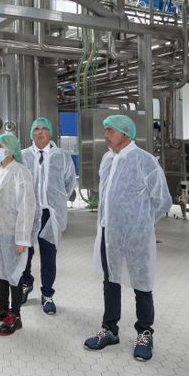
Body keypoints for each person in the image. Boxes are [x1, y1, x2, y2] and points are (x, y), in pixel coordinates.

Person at [83, 115, 171, 361]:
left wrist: (140, 224)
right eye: (105, 129)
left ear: (126, 134)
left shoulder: (144, 161)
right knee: (110, 281)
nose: (106, 134)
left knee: (142, 284)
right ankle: (109, 329)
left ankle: (144, 333)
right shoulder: (107, 159)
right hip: (108, 233)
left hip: (135, 236)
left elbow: (163, 199)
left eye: (110, 130)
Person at [0, 133, 37, 336]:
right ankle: (2, 308)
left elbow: (27, 207)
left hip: (12, 233)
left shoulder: (21, 173)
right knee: (0, 270)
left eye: (1, 145)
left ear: (10, 150)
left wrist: (22, 238)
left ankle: (15, 315)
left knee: (15, 273)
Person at [19, 117, 76, 315]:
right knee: (25, 253)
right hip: (28, 212)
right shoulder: (23, 156)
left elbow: (69, 182)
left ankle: (47, 294)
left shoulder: (62, 156)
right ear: (32, 133)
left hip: (51, 214)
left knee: (49, 255)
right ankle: (26, 284)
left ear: (49, 133)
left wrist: (57, 201)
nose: (40, 132)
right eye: (36, 129)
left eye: (44, 129)